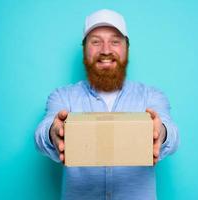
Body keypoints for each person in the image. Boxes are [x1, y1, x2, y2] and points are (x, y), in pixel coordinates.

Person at [35, 9, 179, 200]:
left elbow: (172, 134)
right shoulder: (63, 97)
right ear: (84, 49)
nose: (105, 50)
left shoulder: (151, 96)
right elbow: (42, 133)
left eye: (115, 41)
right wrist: (53, 133)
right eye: (95, 41)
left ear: (126, 48)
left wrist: (161, 133)